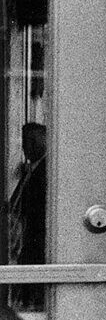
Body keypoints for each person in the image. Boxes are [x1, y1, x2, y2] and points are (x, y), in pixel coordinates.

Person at [8, 122, 46, 310]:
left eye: (30, 142)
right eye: (24, 143)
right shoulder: (30, 170)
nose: (26, 148)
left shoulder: (45, 170)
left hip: (35, 237)